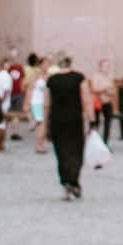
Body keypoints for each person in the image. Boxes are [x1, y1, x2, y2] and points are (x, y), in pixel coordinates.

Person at [36, 52, 91, 200]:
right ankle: (74, 180)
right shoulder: (79, 78)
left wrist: (46, 122)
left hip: (57, 119)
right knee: (76, 150)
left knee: (61, 151)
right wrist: (91, 118)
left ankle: (66, 182)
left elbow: (46, 104)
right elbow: (86, 99)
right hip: (74, 118)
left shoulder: (51, 80)